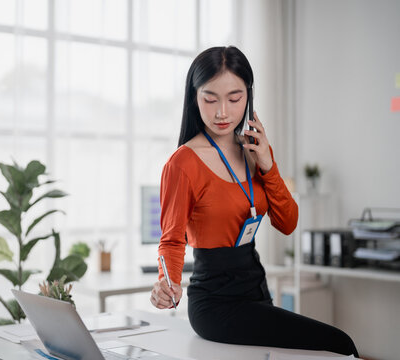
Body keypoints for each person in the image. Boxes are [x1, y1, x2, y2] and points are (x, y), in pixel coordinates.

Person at [149, 46, 359, 357]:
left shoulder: (255, 150)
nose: (222, 112)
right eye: (210, 98)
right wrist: (167, 285)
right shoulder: (183, 163)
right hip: (215, 300)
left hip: (256, 288)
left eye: (234, 99)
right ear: (194, 97)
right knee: (340, 344)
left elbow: (288, 223)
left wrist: (267, 166)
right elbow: (171, 240)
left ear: (248, 96)